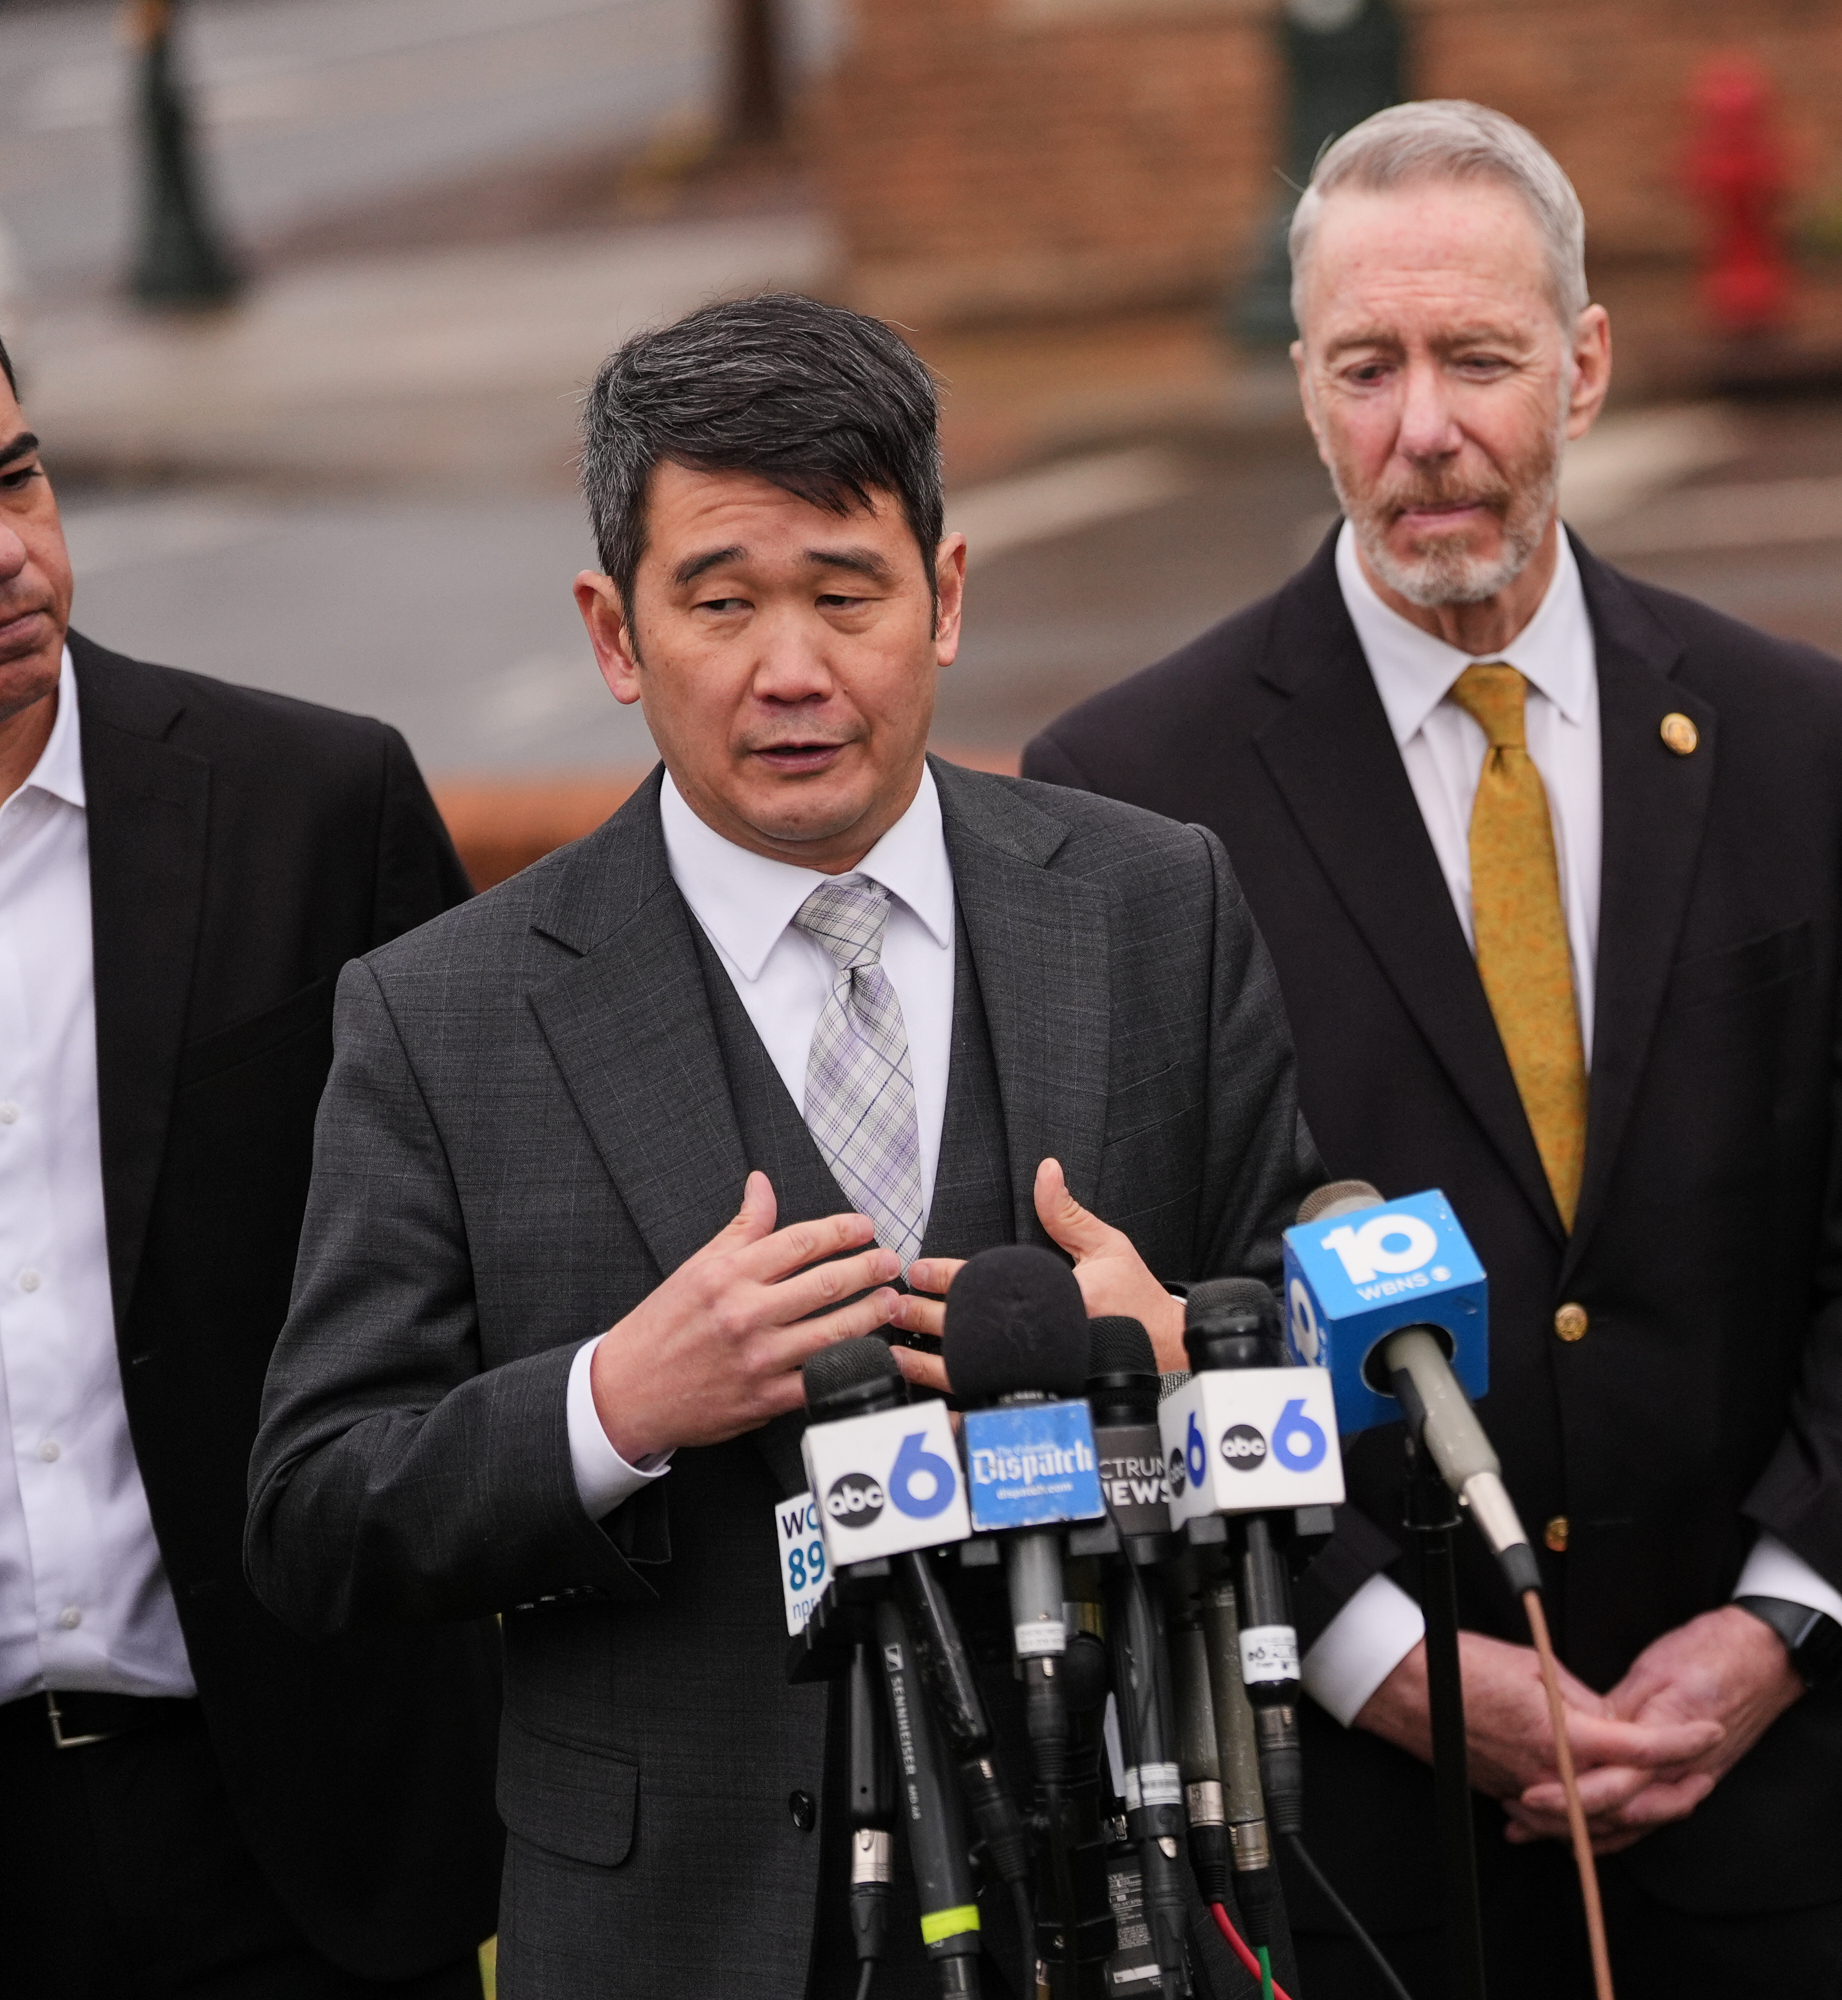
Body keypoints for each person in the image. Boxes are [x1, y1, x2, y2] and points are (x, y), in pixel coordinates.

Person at [244, 295, 1320, 2000]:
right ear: (614, 630)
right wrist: (613, 1403)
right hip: (683, 1934)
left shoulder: (1151, 906)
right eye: (721, 602)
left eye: (846, 592)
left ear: (946, 597)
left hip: (1115, 1890)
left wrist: (1189, 1367)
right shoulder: (443, 1013)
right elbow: (316, 1512)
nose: (792, 669)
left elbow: (1309, 1335)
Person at [1022, 101, 1842, 1999]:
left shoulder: (1807, 744)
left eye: (1479, 358)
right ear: (1306, 390)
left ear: (1588, 363)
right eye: (1368, 368)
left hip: (1775, 1822)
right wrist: (1391, 1664)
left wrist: (1774, 1632)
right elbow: (1135, 1321)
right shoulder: (1132, 795)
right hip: (1354, 1852)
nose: (1426, 428)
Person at [0, 339, 498, 1993]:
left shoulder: (314, 805)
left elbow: (490, 1289)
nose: (13, 550)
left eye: (15, 478)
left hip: (295, 1832)